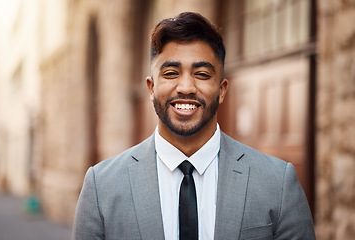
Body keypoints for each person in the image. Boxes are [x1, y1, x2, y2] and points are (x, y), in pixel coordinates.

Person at [72, 12, 316, 240]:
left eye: (201, 74)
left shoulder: (277, 182)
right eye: (170, 73)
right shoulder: (101, 186)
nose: (186, 87)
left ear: (221, 91)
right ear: (151, 87)